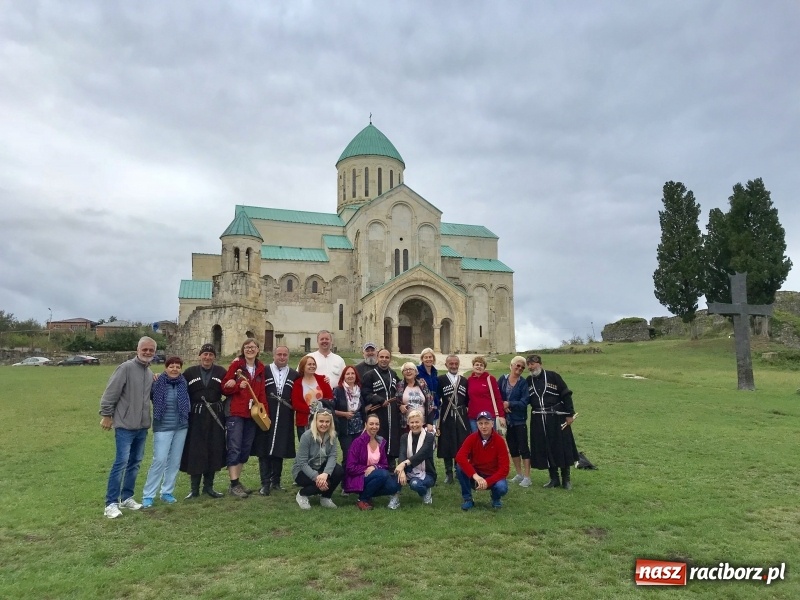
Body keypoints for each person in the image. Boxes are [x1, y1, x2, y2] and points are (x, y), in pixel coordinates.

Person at [99, 336, 157, 518]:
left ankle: (127, 497)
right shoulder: (125, 368)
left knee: (135, 463)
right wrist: (106, 415)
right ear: (137, 350)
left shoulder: (149, 374)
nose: (147, 352)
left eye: (151, 350)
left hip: (142, 426)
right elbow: (111, 392)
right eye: (144, 349)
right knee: (121, 463)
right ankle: (111, 503)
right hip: (124, 425)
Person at [142, 356, 190, 507]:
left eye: (177, 366)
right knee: (160, 460)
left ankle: (167, 492)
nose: (174, 369)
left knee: (174, 461)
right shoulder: (157, 382)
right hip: (162, 426)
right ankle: (148, 494)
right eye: (171, 366)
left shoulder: (183, 383)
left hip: (181, 426)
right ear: (166, 367)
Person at [180, 343, 227, 499]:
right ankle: (194, 490)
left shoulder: (221, 372)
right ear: (200, 356)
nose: (207, 357)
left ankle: (209, 487)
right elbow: (179, 390)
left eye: (210, 355)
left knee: (213, 450)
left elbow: (229, 390)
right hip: (196, 417)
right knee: (196, 451)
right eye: (205, 354)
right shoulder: (189, 372)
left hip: (215, 417)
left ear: (214, 357)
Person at [222, 338, 266, 498]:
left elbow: (261, 393)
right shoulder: (236, 366)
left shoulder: (261, 368)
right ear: (243, 349)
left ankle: (237, 482)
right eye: (247, 347)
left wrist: (264, 411)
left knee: (245, 449)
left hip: (252, 413)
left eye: (253, 347)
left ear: (258, 350)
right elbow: (224, 387)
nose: (250, 349)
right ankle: (234, 484)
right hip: (236, 412)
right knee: (234, 447)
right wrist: (235, 385)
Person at [526, 355, 579, 490]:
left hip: (557, 417)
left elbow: (566, 394)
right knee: (546, 447)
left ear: (540, 364)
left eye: (533, 364)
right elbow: (524, 399)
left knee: (561, 446)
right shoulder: (528, 381)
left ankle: (566, 479)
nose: (531, 367)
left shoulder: (553, 376)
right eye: (529, 364)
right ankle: (553, 479)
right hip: (538, 418)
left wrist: (569, 414)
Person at [252, 345, 298, 496]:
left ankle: (276, 481)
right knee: (264, 447)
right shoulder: (264, 370)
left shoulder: (293, 374)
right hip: (266, 412)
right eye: (279, 354)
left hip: (285, 413)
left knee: (280, 446)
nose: (282, 357)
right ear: (273, 355)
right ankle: (265, 483)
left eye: (285, 355)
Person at [343, 413, 401, 510]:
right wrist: (367, 469)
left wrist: (374, 468)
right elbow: (350, 467)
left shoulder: (381, 442)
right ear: (365, 425)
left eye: (377, 424)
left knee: (395, 484)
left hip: (376, 475)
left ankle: (368, 494)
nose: (374, 427)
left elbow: (384, 464)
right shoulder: (358, 442)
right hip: (358, 477)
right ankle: (362, 500)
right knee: (382, 474)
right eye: (371, 424)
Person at [292, 405, 344, 509]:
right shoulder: (306, 436)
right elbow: (302, 462)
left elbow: (332, 456)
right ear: (315, 421)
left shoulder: (333, 436)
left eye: (327, 422)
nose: (324, 424)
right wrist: (317, 477)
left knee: (339, 471)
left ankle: (326, 497)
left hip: (321, 467)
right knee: (322, 484)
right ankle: (302, 494)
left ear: (330, 423)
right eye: (321, 421)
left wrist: (325, 474)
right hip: (303, 471)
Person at [455, 411, 510, 510]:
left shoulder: (500, 441)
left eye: (486, 423)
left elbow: (505, 469)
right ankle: (468, 499)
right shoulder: (471, 438)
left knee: (502, 487)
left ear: (492, 424)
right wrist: (475, 475)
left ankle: (495, 498)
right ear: (477, 425)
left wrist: (487, 481)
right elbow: (460, 457)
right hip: (476, 475)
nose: (483, 426)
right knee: (459, 467)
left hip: (493, 475)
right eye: (480, 423)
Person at [360, 348, 401, 466]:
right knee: (379, 435)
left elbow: (399, 388)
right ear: (378, 358)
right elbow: (365, 393)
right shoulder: (369, 375)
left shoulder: (393, 374)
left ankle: (391, 464)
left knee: (392, 437)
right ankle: (377, 463)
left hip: (392, 412)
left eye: (387, 357)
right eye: (382, 357)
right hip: (377, 412)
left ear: (390, 359)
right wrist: (379, 399)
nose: (384, 360)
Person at [436, 354, 470, 484]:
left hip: (461, 415)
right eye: (451, 364)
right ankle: (448, 473)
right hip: (447, 415)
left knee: (461, 443)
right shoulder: (441, 380)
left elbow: (467, 400)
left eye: (456, 364)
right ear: (446, 365)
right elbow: (437, 397)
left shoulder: (464, 380)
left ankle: (458, 471)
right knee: (447, 443)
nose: (454, 366)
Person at [499, 356, 532, 488]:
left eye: (522, 367)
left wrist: (509, 404)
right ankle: (519, 474)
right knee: (512, 447)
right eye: (517, 365)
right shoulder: (502, 379)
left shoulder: (523, 383)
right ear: (511, 365)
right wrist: (502, 405)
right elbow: (496, 395)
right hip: (507, 421)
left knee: (523, 447)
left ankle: (528, 476)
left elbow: (525, 402)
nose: (519, 369)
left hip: (519, 419)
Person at [394, 409, 437, 507]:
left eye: (417, 422)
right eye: (412, 422)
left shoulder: (429, 437)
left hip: (427, 473)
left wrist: (403, 464)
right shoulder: (404, 437)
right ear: (408, 423)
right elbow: (402, 454)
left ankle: (426, 491)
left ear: (423, 423)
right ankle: (395, 498)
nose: (414, 425)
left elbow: (421, 455)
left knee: (414, 484)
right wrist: (402, 471)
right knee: (396, 476)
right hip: (409, 470)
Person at [291, 355, 334, 441]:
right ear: (303, 367)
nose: (312, 366)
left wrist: (320, 410)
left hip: (322, 420)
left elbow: (330, 398)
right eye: (309, 364)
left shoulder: (322, 379)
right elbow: (296, 403)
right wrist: (311, 410)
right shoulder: (297, 383)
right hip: (304, 421)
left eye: (314, 364)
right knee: (306, 448)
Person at [332, 365, 364, 475]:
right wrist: (344, 414)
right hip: (345, 428)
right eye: (348, 374)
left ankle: (356, 480)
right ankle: (346, 483)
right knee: (348, 454)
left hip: (359, 427)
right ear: (343, 376)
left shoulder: (360, 390)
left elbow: (363, 407)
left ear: (356, 376)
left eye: (352, 373)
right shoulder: (338, 390)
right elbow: (331, 409)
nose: (350, 376)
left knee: (358, 454)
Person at [466, 356, 505, 433]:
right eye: (477, 364)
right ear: (473, 366)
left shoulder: (490, 379)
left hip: (489, 417)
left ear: (484, 368)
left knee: (489, 441)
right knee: (476, 441)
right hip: (474, 417)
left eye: (481, 365)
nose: (479, 367)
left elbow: (498, 398)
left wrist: (501, 416)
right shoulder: (469, 380)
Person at [395, 362, 434, 431]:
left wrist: (430, 422)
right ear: (402, 373)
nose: (408, 371)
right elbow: (396, 402)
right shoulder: (399, 386)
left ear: (416, 372)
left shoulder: (422, 384)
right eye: (405, 370)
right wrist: (400, 406)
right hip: (406, 425)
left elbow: (430, 403)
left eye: (411, 369)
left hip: (422, 423)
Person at [416, 348, 439, 425]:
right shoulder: (417, 371)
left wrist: (438, 402)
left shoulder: (434, 372)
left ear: (433, 358)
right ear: (422, 359)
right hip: (421, 406)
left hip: (433, 407)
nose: (428, 359)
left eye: (430, 357)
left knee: (432, 433)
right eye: (426, 357)